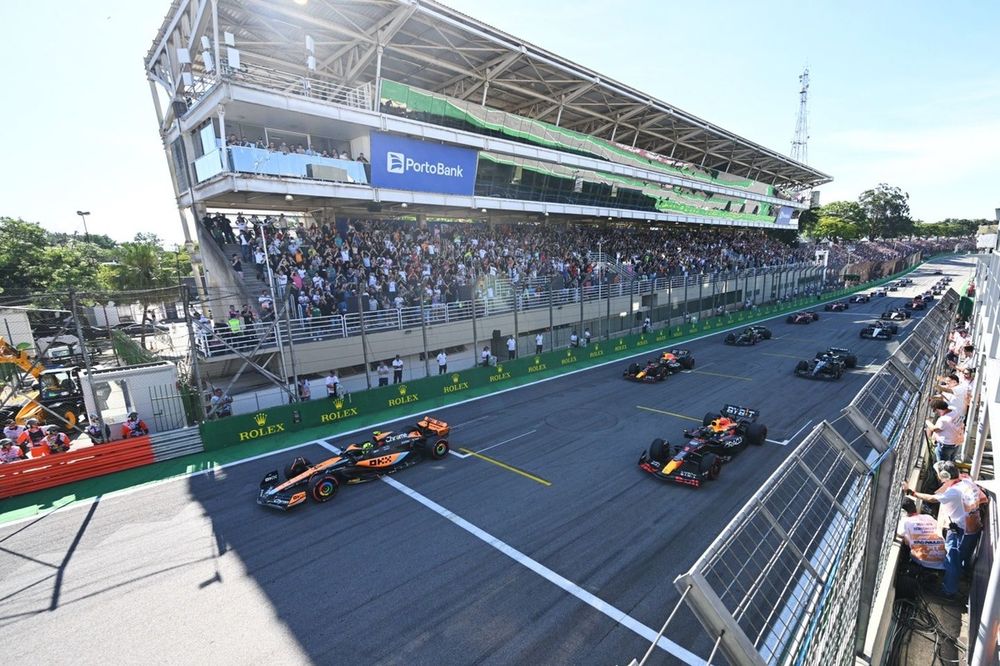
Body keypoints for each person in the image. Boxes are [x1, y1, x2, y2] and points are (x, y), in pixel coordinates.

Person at [904, 462, 989, 597]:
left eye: (939, 474)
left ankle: (949, 591)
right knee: (964, 557)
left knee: (952, 561)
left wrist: (911, 492)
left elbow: (932, 499)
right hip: (974, 527)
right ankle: (963, 575)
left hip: (961, 531)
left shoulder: (953, 492)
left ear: (944, 475)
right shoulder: (966, 482)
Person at [898, 497, 945, 571]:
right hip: (943, 557)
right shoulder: (928, 517)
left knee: (911, 550)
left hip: (927, 561)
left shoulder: (905, 522)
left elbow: (902, 537)